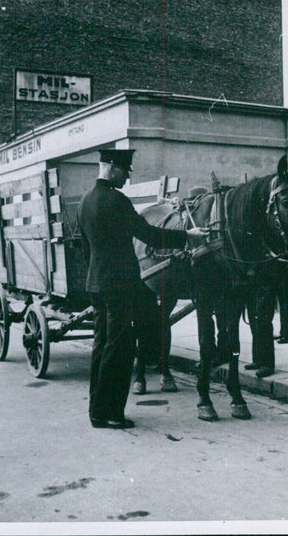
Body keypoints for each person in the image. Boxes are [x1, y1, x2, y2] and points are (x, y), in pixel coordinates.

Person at [78, 148, 210, 429]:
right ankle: (111, 414)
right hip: (120, 286)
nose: (126, 177)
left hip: (96, 284)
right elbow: (149, 234)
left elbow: (85, 248)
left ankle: (96, 410)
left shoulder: (85, 201)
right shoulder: (117, 201)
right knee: (119, 349)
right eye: (125, 171)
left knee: (101, 346)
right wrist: (188, 235)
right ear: (112, 167)